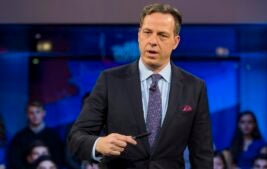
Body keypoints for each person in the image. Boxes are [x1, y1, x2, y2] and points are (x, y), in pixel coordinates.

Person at [68, 3, 213, 169]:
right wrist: (99, 143)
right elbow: (76, 137)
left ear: (175, 41)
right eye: (147, 32)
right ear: (139, 35)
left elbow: (202, 154)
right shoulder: (110, 80)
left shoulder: (194, 87)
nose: (152, 41)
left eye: (162, 35)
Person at [7, 101, 64, 169]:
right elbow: (15, 161)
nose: (35, 116)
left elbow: (59, 160)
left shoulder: (54, 136)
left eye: (38, 112)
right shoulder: (19, 137)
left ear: (43, 113)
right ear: (27, 115)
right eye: (31, 113)